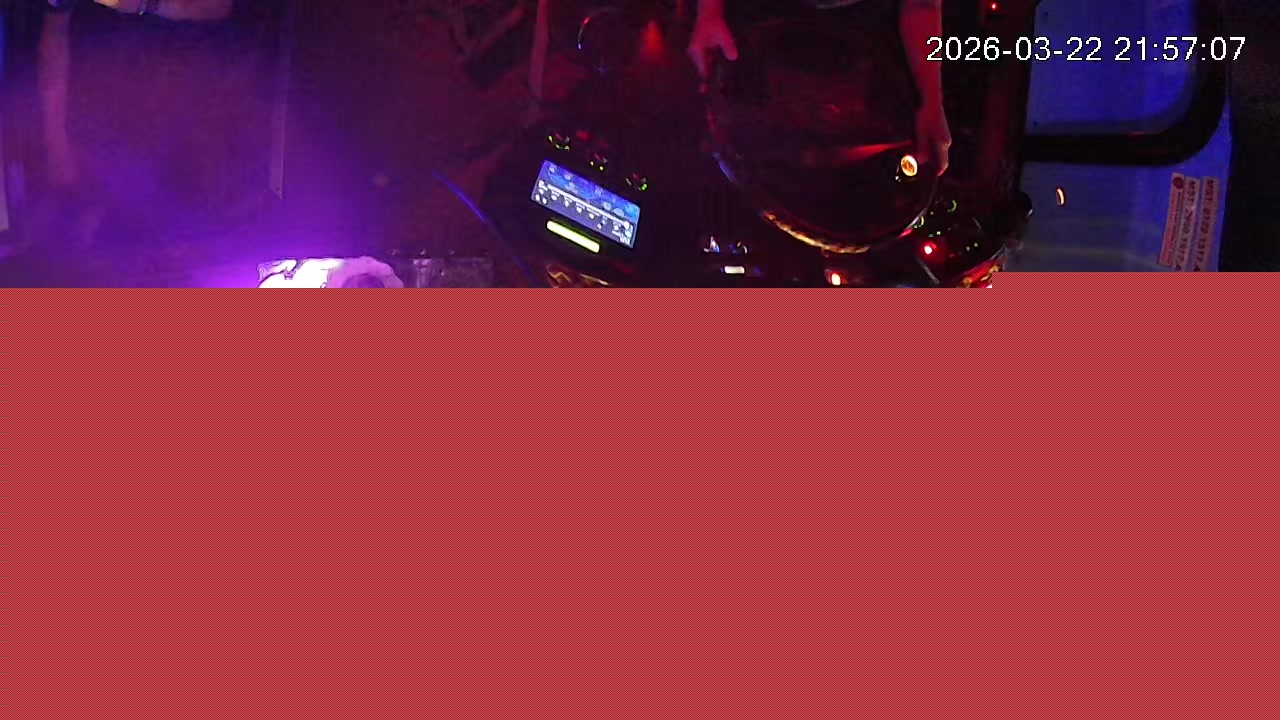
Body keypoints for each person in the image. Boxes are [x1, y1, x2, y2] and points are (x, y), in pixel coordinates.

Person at [687, 0, 952, 176]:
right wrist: (709, 11)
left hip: (856, 37)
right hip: (757, 21)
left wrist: (930, 99)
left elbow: (923, 6)